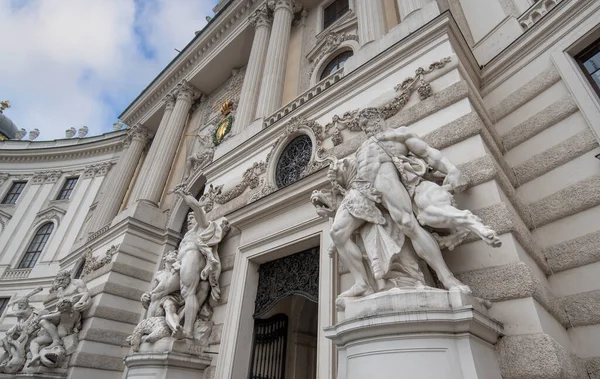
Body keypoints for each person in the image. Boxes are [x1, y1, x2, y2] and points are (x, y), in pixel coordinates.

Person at [328, 107, 470, 298]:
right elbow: (350, 175)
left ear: (378, 118)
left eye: (366, 124)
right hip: (361, 189)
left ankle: (447, 278)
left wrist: (452, 170)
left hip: (386, 179)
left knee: (408, 224)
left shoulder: (398, 135)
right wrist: (337, 177)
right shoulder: (361, 149)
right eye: (362, 126)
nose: (365, 129)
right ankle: (362, 284)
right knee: (337, 233)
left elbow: (429, 154)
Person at [173, 186, 229, 338]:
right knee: (159, 294)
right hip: (180, 265)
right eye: (188, 219)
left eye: (192, 219)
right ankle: (173, 322)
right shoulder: (187, 235)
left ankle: (188, 330)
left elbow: (197, 208)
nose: (190, 221)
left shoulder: (202, 226)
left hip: (192, 260)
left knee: (188, 293)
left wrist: (185, 197)